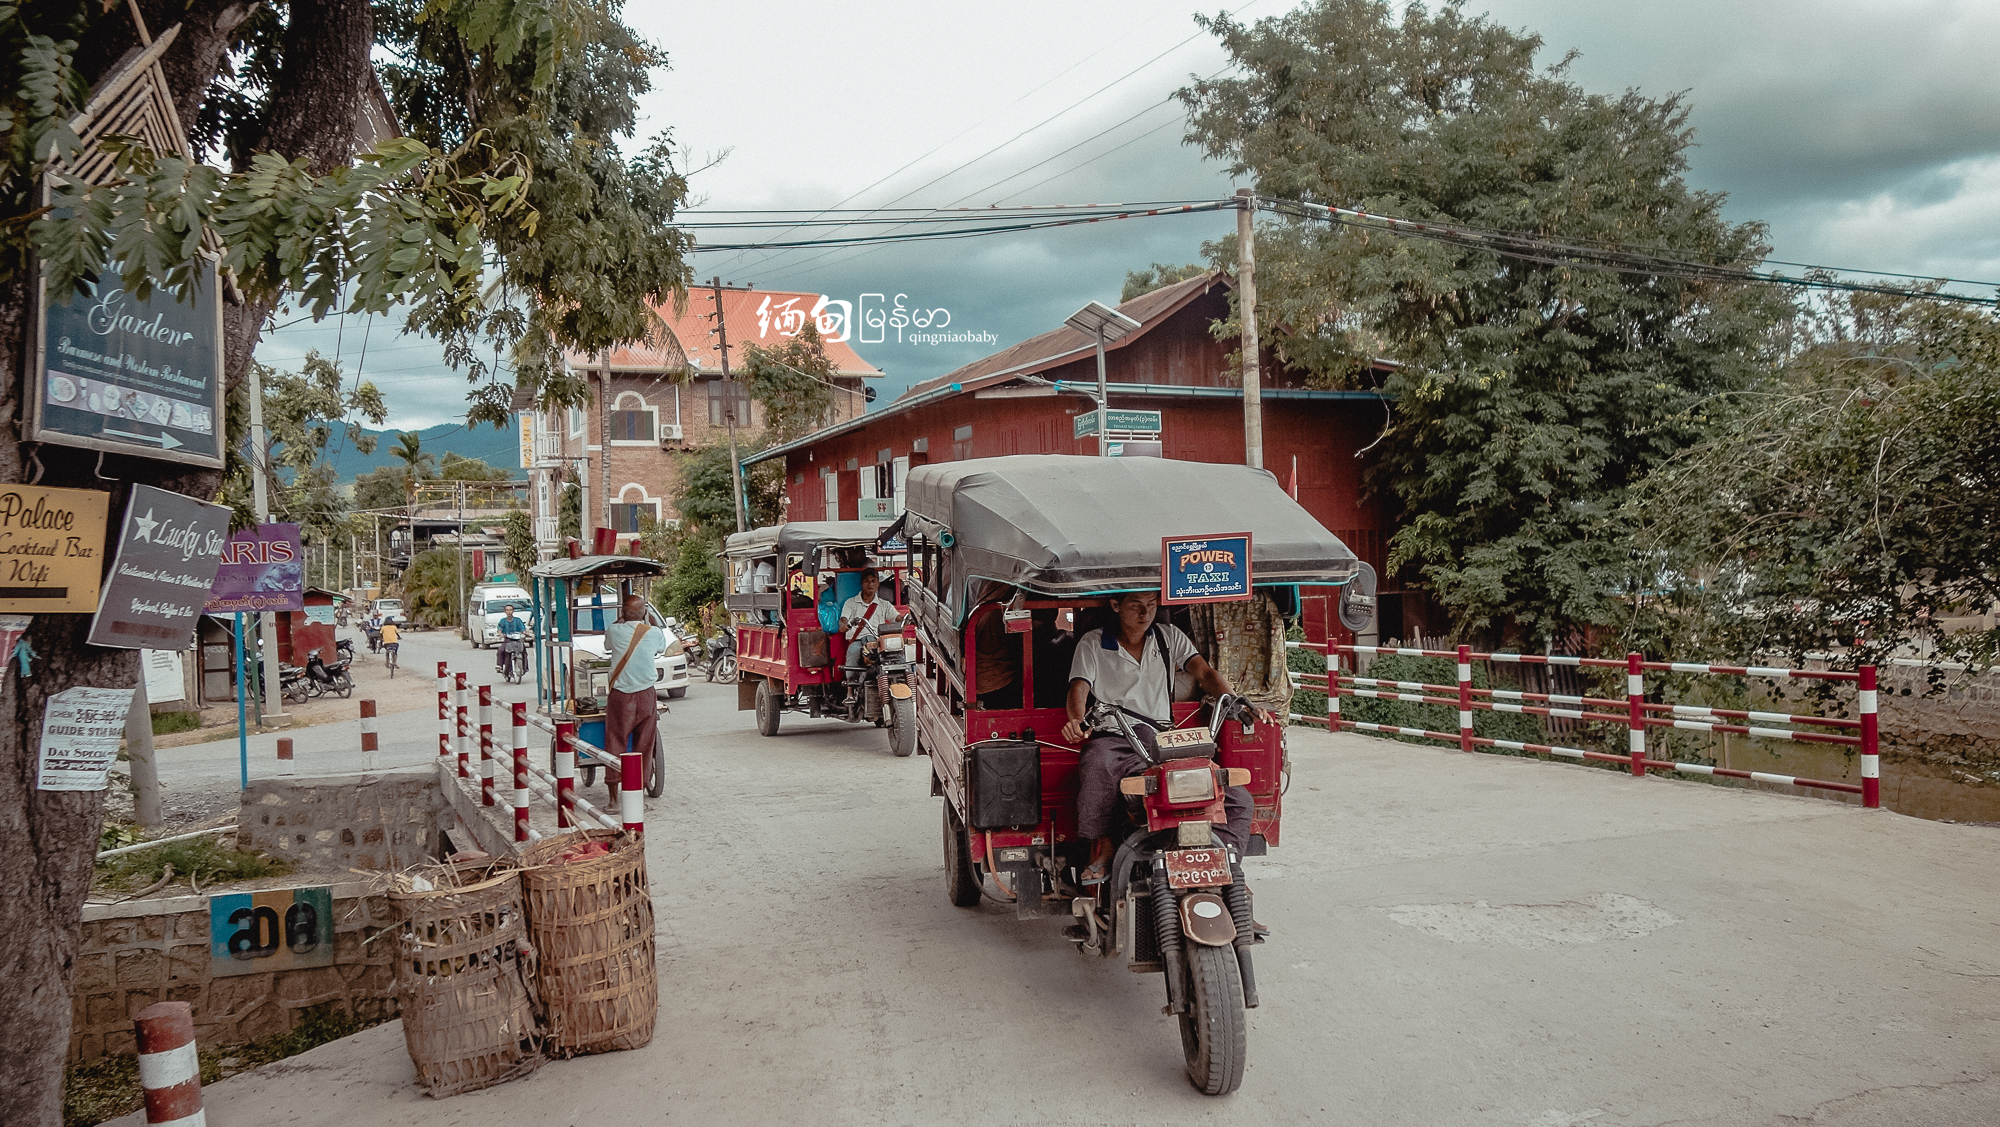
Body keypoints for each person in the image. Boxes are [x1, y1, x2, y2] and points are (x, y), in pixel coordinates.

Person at [1060, 589, 1263, 883]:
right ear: (1116, 606)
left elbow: (1205, 674)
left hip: (1160, 739)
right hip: (1114, 736)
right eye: (1136, 606)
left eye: (1152, 605)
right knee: (1097, 765)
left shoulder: (1169, 636)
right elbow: (1079, 687)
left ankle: (1229, 868)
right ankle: (1104, 847)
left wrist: (1234, 699)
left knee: (1237, 798)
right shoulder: (1092, 643)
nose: (1145, 614)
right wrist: (1078, 720)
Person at [603, 595, 666, 794]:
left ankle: (613, 798)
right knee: (644, 744)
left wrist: (620, 618)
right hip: (647, 695)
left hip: (621, 696)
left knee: (615, 741)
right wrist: (651, 619)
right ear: (644, 613)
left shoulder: (615, 630)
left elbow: (607, 646)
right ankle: (638, 792)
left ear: (622, 613)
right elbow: (661, 647)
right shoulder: (654, 633)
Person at [494, 604, 528, 672]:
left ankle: (525, 668)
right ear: (505, 611)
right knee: (501, 650)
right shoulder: (502, 621)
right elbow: (499, 630)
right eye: (507, 610)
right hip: (507, 640)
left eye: (510, 610)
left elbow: (523, 630)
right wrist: (500, 634)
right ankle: (500, 666)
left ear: (513, 611)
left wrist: (527, 633)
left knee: (523, 651)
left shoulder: (518, 620)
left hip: (517, 640)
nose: (509, 612)